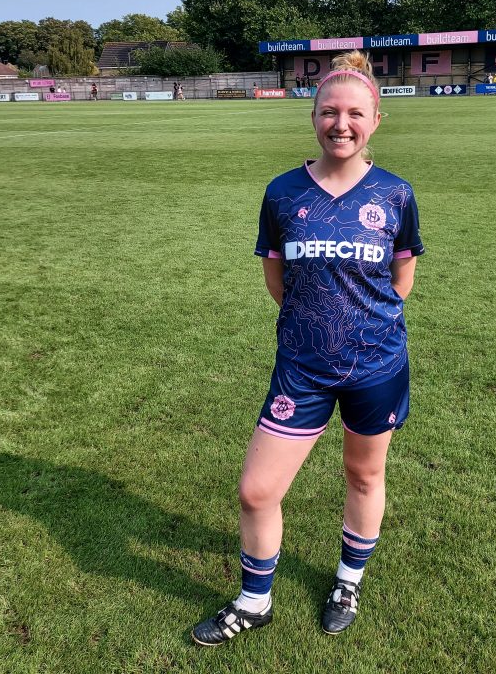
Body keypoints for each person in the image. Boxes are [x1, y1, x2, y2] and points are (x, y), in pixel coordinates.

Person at [191, 50, 424, 646]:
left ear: (376, 120)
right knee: (256, 490)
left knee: (364, 475)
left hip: (377, 364)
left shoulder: (396, 195)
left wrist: (359, 323)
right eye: (328, 112)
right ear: (312, 117)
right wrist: (315, 326)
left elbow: (401, 281)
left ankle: (347, 580)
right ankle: (255, 598)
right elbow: (278, 282)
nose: (340, 124)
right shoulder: (283, 192)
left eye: (354, 113)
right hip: (302, 368)